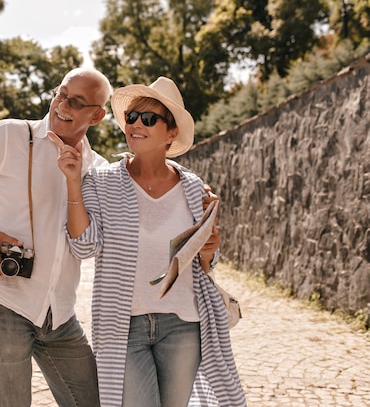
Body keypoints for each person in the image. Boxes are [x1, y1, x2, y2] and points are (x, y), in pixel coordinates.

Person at [49, 76, 246, 407]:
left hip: (184, 324)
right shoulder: (102, 181)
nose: (136, 124)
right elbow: (84, 246)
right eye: (131, 117)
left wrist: (210, 250)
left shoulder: (193, 187)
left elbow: (205, 261)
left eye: (149, 118)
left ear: (171, 133)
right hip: (123, 326)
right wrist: (72, 181)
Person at [0, 68, 112, 407]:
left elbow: (91, 243)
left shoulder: (97, 169)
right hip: (1, 299)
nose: (62, 105)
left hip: (59, 313)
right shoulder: (10, 135)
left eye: (77, 102)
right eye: (61, 93)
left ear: (97, 115)